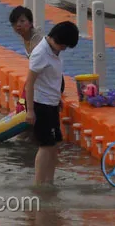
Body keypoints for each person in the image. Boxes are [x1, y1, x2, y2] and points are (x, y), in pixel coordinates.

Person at [24, 21, 79, 185]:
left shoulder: (53, 51)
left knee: (54, 144)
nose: (64, 49)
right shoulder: (40, 53)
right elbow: (30, 83)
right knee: (45, 145)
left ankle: (50, 181)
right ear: (59, 40)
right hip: (40, 104)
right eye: (65, 45)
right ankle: (39, 183)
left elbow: (50, 79)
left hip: (51, 103)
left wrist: (58, 99)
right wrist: (30, 111)